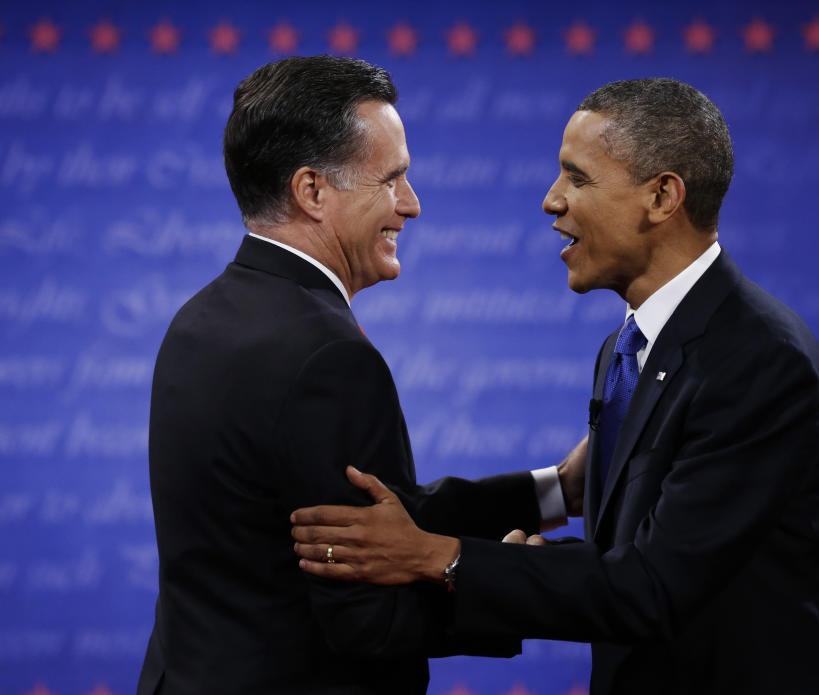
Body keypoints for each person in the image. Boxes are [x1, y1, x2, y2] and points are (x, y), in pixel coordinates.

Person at [291, 78, 819, 694]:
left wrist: (440, 557)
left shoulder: (758, 362)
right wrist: (554, 496)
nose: (551, 200)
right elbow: (620, 540)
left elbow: (652, 586)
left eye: (578, 178)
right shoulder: (630, 350)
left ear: (662, 196)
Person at [138, 55, 582, 695]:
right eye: (392, 179)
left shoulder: (203, 317)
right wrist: (511, 577)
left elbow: (370, 520)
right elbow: (368, 620)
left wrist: (554, 492)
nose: (412, 205)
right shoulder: (327, 356)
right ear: (312, 191)